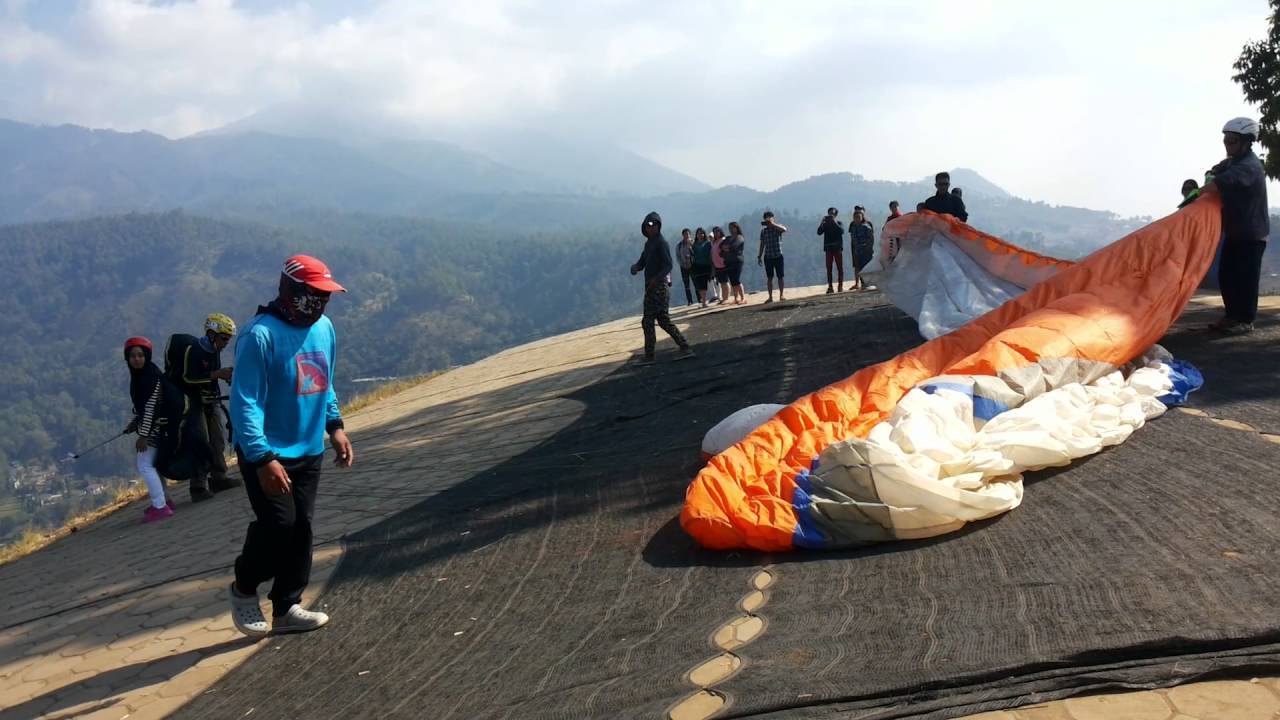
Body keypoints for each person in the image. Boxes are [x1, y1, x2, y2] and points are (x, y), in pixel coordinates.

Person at [227, 254, 354, 637]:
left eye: (325, 296)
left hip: (308, 449)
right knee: (278, 525)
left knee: (302, 529)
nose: (320, 303)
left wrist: (335, 426)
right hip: (266, 453)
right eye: (313, 294)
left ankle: (286, 607)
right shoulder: (259, 335)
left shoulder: (324, 329)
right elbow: (243, 402)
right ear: (289, 290)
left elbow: (323, 381)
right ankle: (244, 588)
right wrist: (263, 458)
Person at [1202, 117, 1271, 334]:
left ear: (1246, 142)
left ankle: (1245, 320)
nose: (1227, 145)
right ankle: (1232, 316)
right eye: (1226, 140)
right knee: (1227, 275)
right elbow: (1215, 171)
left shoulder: (1249, 166)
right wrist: (1209, 175)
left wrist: (1202, 190)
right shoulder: (1232, 162)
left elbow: (1221, 182)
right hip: (1234, 231)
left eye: (1232, 141)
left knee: (1246, 279)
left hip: (1251, 234)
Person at [165, 313, 237, 502]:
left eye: (228, 339)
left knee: (217, 440)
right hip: (193, 403)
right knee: (201, 443)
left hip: (210, 401)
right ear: (211, 334)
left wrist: (221, 377)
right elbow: (189, 377)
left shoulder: (215, 351)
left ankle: (219, 477)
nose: (225, 343)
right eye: (223, 338)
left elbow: (210, 376)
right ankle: (198, 486)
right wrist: (217, 374)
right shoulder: (194, 350)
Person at [124, 336, 180, 523]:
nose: (137, 359)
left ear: (146, 356)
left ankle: (160, 507)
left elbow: (149, 409)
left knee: (145, 465)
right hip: (159, 427)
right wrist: (135, 423)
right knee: (152, 465)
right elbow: (144, 409)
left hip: (157, 429)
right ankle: (165, 501)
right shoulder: (146, 374)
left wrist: (144, 436)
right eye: (132, 356)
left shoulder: (147, 378)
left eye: (140, 355)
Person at [630, 212, 695, 365]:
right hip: (651, 287)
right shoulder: (649, 244)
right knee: (661, 320)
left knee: (649, 320)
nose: (649, 228)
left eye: (652, 225)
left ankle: (650, 355)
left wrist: (656, 279)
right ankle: (685, 347)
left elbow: (668, 265)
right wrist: (636, 267)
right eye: (647, 225)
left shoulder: (661, 243)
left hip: (659, 287)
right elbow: (643, 261)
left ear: (658, 226)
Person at [757, 211, 787, 303]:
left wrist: (773, 224)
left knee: (780, 276)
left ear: (773, 218)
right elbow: (762, 244)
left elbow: (784, 229)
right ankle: (770, 297)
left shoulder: (777, 228)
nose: (768, 219)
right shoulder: (763, 231)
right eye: (766, 218)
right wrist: (759, 256)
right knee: (769, 277)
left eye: (770, 217)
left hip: (778, 255)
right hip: (768, 256)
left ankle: (781, 295)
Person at [817, 207, 845, 293]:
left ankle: (840, 286)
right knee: (829, 269)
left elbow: (841, 231)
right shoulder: (825, 224)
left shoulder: (839, 223)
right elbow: (819, 232)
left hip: (837, 248)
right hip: (828, 249)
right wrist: (822, 222)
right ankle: (830, 287)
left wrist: (834, 222)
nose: (831, 215)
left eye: (832, 214)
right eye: (829, 214)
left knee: (839, 268)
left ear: (836, 215)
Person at [850, 206, 876, 291]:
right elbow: (853, 239)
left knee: (867, 267)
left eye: (858, 217)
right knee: (859, 267)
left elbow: (871, 239)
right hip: (857, 251)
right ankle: (862, 283)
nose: (857, 219)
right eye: (855, 217)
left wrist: (868, 248)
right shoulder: (853, 227)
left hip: (866, 251)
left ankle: (868, 283)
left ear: (862, 217)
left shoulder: (866, 226)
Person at [725, 221, 748, 304]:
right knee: (732, 281)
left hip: (737, 261)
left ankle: (743, 298)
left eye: (732, 228)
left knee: (737, 280)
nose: (731, 229)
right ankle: (736, 298)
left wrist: (727, 248)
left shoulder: (740, 237)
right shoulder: (728, 238)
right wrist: (727, 248)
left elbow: (734, 246)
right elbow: (721, 246)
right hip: (728, 261)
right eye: (729, 228)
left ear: (736, 228)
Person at [690, 227, 714, 307]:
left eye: (702, 233)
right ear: (696, 235)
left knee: (706, 283)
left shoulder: (708, 244)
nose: (700, 235)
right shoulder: (694, 245)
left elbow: (711, 254)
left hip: (706, 265)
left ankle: (709, 299)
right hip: (697, 266)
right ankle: (703, 301)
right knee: (700, 284)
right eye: (698, 233)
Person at [675, 228, 695, 305]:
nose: (686, 235)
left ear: (690, 234)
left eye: (688, 234)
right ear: (682, 235)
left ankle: (699, 298)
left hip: (693, 266)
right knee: (686, 284)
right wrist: (683, 264)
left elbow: (696, 254)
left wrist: (691, 262)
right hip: (683, 267)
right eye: (685, 234)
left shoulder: (693, 243)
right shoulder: (679, 246)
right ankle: (690, 301)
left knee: (695, 282)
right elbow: (678, 257)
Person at [711, 226, 730, 304]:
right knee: (721, 282)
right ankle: (723, 297)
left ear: (720, 232)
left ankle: (726, 298)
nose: (716, 233)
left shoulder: (723, 240)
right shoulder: (715, 241)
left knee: (725, 281)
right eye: (714, 232)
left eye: (717, 231)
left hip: (723, 264)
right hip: (717, 265)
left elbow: (727, 250)